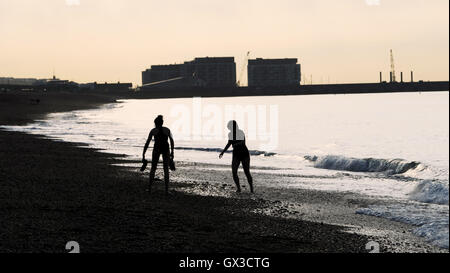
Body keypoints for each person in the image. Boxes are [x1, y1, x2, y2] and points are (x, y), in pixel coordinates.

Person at [142, 115, 174, 195]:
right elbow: (172, 141)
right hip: (166, 149)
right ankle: (166, 191)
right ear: (162, 123)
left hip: (157, 149)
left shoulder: (153, 131)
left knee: (153, 168)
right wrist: (172, 152)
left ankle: (149, 189)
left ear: (155, 123)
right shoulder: (167, 130)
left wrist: (144, 153)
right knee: (166, 169)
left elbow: (147, 142)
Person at [219, 120, 254, 193]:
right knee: (234, 172)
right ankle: (238, 188)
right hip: (236, 154)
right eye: (229, 128)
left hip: (244, 153)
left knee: (247, 171)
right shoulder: (230, 134)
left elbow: (243, 142)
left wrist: (235, 144)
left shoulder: (240, 132)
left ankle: (251, 189)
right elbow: (229, 143)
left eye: (231, 127)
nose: (230, 129)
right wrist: (222, 152)